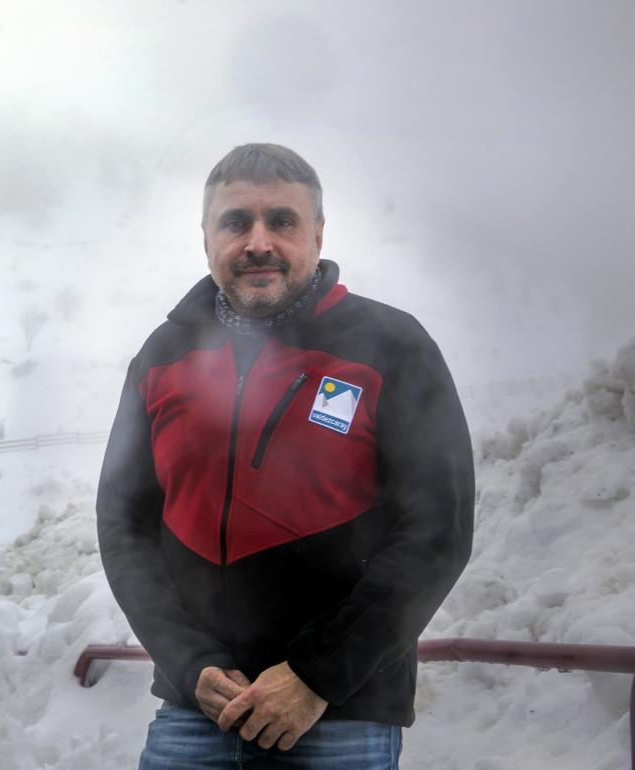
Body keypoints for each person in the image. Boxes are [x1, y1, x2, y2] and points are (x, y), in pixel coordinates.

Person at [96, 143, 474, 769]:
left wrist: (314, 677)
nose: (258, 241)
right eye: (235, 221)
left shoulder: (392, 347)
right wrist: (191, 665)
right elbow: (123, 524)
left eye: (282, 221)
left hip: (338, 717)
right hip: (195, 717)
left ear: (318, 233)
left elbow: (438, 531)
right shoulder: (160, 357)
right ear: (207, 236)